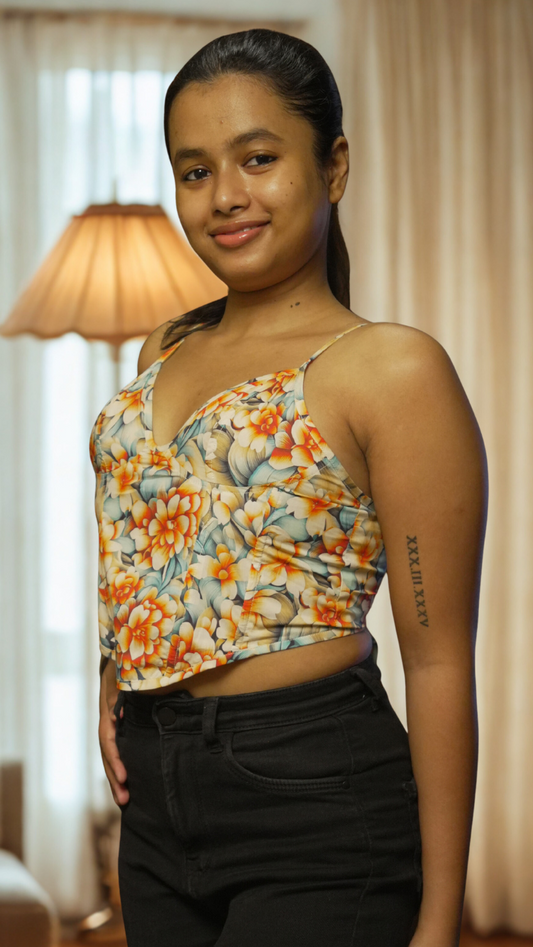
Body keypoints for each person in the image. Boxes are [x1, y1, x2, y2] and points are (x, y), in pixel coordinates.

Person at [92, 28, 488, 947]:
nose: (224, 196)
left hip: (313, 792)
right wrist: (112, 680)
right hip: (154, 800)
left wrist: (439, 921)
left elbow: (438, 663)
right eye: (193, 171)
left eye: (258, 158)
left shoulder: (390, 368)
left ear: (333, 165)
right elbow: (146, 537)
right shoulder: (166, 347)